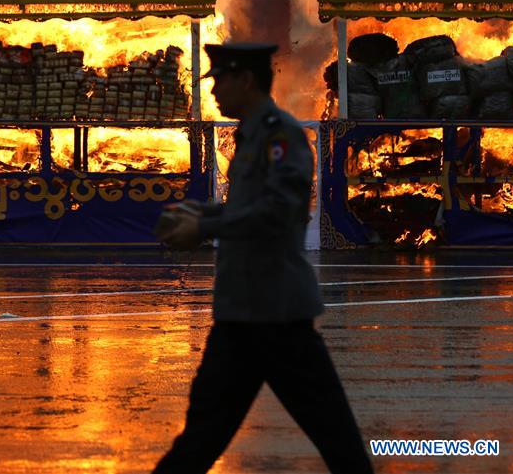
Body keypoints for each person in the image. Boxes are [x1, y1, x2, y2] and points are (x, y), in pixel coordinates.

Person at [152, 41, 373, 474]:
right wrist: (203, 213)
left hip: (277, 315)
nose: (214, 93)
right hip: (241, 313)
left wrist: (206, 225)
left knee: (337, 442)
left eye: (220, 81)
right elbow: (249, 206)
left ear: (246, 80)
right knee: (200, 438)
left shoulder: (280, 134)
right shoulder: (252, 133)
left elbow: (278, 211)